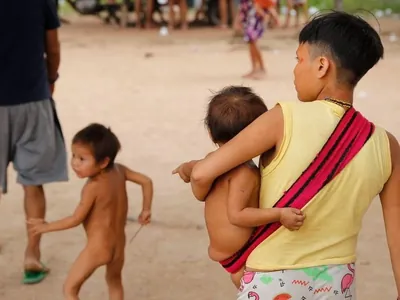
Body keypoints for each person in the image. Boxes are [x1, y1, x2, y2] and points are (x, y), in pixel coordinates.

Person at [175, 11, 400, 299]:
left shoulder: (283, 117)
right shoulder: (387, 145)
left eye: (299, 60)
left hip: (272, 282)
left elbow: (203, 173)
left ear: (322, 66)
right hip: (337, 283)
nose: (295, 70)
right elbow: (396, 234)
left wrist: (197, 183)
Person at [173, 86, 305, 288]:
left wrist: (186, 167)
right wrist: (279, 214)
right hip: (242, 253)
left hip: (229, 252)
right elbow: (237, 215)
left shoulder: (209, 163)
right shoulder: (244, 174)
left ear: (210, 133)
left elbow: (198, 187)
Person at [28, 123, 154, 300]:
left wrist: (47, 227)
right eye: (73, 156)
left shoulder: (92, 187)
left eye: (82, 159)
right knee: (114, 282)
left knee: (70, 289)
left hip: (98, 247)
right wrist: (146, 209)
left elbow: (75, 219)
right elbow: (146, 181)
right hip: (119, 246)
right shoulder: (120, 171)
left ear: (103, 162)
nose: (74, 163)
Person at [0, 0, 68, 284]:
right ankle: (32, 255)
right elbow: (52, 48)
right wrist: (51, 78)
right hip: (32, 98)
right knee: (33, 182)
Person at [240, 0, 274, 79]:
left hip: (255, 13)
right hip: (248, 12)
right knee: (250, 41)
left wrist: (263, 13)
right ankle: (254, 68)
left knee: (253, 40)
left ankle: (262, 68)